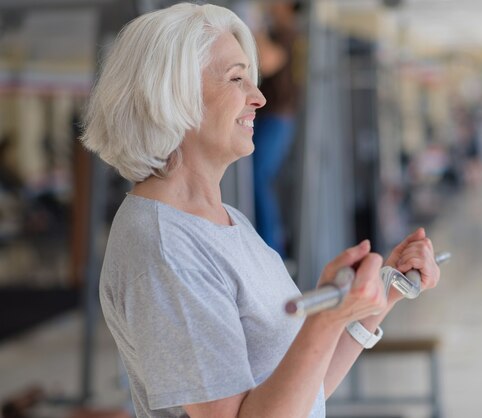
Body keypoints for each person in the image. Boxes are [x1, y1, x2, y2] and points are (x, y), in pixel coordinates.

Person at [81, 3, 441, 418]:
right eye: (237, 79)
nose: (259, 97)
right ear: (171, 94)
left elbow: (304, 393)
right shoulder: (165, 248)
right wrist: (324, 321)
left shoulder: (229, 221)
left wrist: (387, 291)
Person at [252, 1, 301, 257]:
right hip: (272, 119)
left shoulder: (287, 33)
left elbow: (266, 61)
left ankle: (271, 247)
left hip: (276, 119)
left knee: (258, 178)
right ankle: (270, 243)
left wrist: (255, 23)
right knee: (258, 178)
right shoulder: (281, 32)